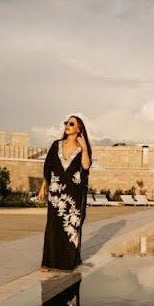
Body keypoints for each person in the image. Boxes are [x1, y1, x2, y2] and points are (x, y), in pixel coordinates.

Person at [38, 115, 92, 272]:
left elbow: (86, 166)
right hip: (56, 193)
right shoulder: (56, 145)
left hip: (73, 195)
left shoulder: (82, 148)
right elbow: (49, 168)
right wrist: (43, 187)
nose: (67, 125)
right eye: (66, 123)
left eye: (71, 123)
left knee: (70, 227)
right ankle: (48, 262)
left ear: (78, 129)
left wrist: (84, 148)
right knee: (53, 226)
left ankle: (68, 262)